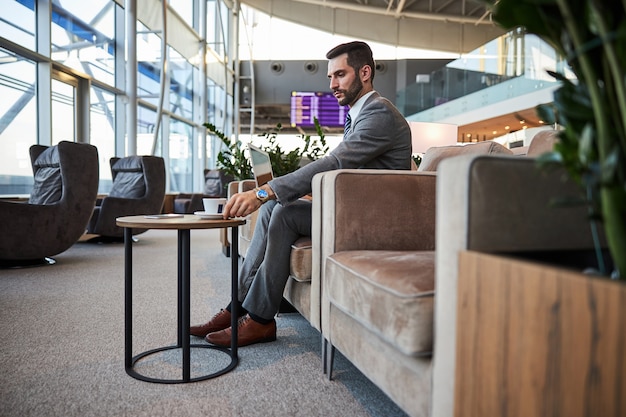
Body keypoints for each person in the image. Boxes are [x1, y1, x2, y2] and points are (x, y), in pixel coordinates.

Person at [191, 40, 412, 347]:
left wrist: (264, 191)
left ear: (364, 73)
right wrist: (296, 194)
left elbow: (335, 162)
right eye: (330, 77)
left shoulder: (379, 115)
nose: (333, 84)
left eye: (340, 75)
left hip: (377, 220)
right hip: (356, 208)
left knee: (280, 210)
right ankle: (237, 306)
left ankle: (261, 320)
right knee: (275, 208)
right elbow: (346, 174)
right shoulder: (360, 114)